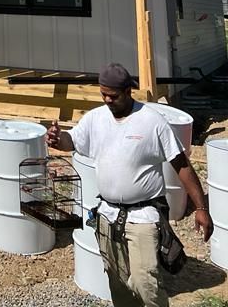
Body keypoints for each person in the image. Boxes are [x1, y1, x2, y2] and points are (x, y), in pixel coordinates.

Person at [47, 63, 213, 307]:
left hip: (144, 216)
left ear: (128, 91)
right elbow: (71, 141)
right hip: (108, 215)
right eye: (103, 94)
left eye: (113, 96)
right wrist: (57, 138)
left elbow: (182, 165)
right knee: (118, 280)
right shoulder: (96, 118)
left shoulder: (151, 121)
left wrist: (201, 208)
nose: (107, 100)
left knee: (146, 282)